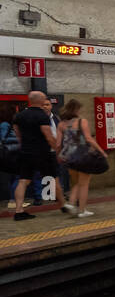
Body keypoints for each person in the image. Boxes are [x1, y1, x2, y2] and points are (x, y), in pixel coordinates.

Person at [11, 91, 70, 220]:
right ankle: (63, 205)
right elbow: (49, 136)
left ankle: (19, 211)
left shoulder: (19, 116)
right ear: (40, 101)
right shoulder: (42, 116)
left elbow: (18, 135)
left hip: (26, 153)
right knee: (54, 179)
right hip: (43, 153)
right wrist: (58, 151)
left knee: (23, 181)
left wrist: (25, 146)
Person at [54, 99, 107, 218]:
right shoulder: (81, 121)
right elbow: (88, 139)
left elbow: (58, 144)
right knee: (84, 184)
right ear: (76, 109)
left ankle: (71, 204)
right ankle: (82, 211)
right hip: (83, 156)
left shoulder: (61, 124)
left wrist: (59, 156)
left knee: (76, 183)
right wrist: (101, 151)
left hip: (68, 157)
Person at [1, 102, 21, 209]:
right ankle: (13, 200)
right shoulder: (5, 125)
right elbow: (3, 139)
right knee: (18, 177)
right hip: (10, 154)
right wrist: (18, 139)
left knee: (14, 178)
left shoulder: (9, 124)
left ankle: (13, 199)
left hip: (14, 154)